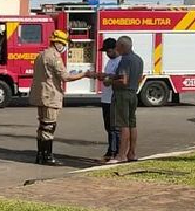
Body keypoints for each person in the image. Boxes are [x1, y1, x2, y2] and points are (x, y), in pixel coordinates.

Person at [30, 29, 88, 165]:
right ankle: (48, 157)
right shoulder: (54, 56)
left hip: (41, 94)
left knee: (43, 126)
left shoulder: (41, 54)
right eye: (63, 44)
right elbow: (65, 77)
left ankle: (40, 155)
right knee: (49, 126)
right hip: (50, 95)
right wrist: (84, 75)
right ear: (58, 43)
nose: (64, 47)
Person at [102, 35, 144, 162]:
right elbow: (139, 78)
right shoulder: (138, 59)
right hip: (133, 93)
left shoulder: (125, 60)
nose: (116, 49)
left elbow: (123, 80)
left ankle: (121, 155)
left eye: (117, 46)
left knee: (123, 125)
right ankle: (132, 153)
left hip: (122, 94)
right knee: (132, 124)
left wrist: (109, 81)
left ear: (121, 46)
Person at [99, 37, 122, 163]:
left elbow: (116, 79)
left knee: (115, 127)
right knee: (108, 126)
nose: (107, 54)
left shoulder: (120, 61)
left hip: (114, 98)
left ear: (115, 49)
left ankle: (115, 151)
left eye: (108, 51)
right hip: (106, 98)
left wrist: (107, 79)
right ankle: (110, 149)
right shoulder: (110, 62)